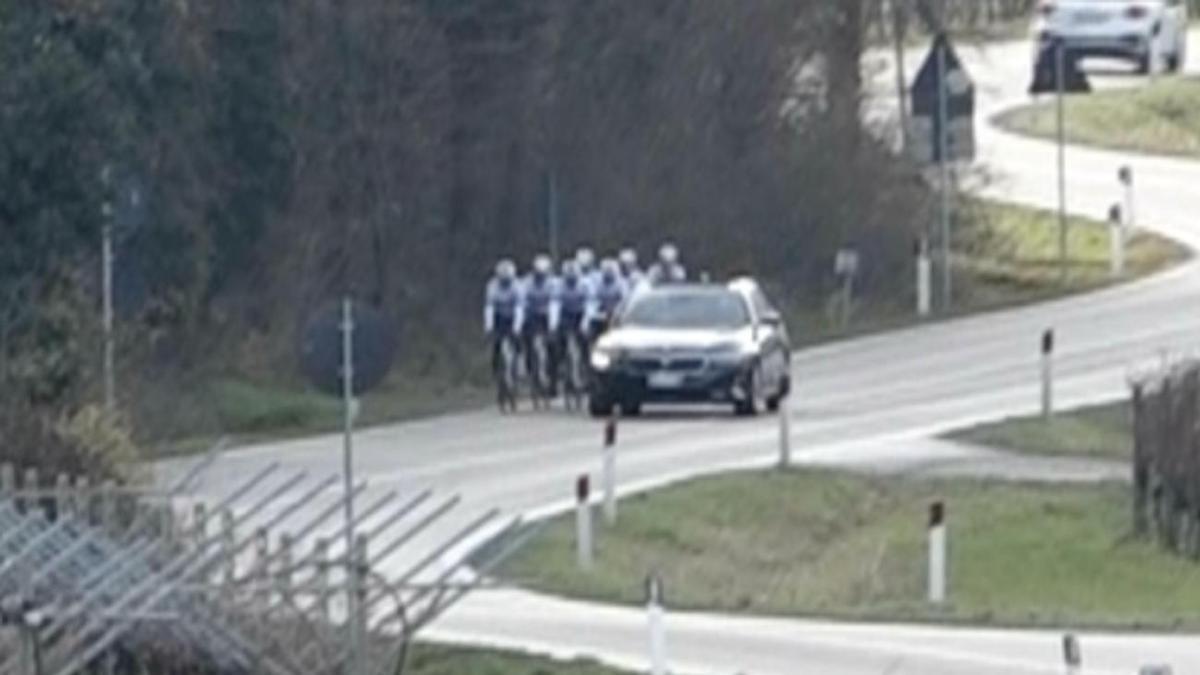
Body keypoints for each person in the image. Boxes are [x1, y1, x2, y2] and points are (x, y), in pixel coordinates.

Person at [522, 254, 561, 393]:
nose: (540, 277)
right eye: (538, 274)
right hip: (532, 316)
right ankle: (530, 370)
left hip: (548, 316)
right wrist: (521, 321)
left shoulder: (554, 284)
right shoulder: (526, 283)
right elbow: (522, 303)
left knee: (553, 349)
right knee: (528, 343)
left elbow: (555, 305)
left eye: (543, 274)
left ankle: (553, 381)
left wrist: (552, 326)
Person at [484, 259, 524, 375]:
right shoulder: (492, 286)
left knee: (517, 340)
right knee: (496, 344)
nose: (505, 283)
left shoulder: (517, 286)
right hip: (499, 317)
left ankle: (520, 364)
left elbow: (519, 308)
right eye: (503, 280)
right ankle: (496, 369)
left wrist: (517, 327)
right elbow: (489, 307)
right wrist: (489, 326)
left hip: (513, 316)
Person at [557, 260, 593, 384]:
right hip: (566, 315)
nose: (571, 282)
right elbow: (555, 305)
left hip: (581, 314)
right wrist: (554, 322)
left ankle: (588, 367)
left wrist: (585, 323)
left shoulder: (585, 284)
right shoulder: (559, 285)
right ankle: (560, 364)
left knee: (585, 341)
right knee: (559, 339)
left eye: (573, 279)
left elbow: (590, 304)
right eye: (569, 280)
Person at [587, 258, 628, 339]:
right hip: (601, 313)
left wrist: (616, 313)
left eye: (610, 270)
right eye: (606, 270)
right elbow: (592, 299)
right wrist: (594, 312)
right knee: (592, 325)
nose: (608, 273)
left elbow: (624, 301)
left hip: (617, 313)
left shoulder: (621, 283)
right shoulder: (597, 281)